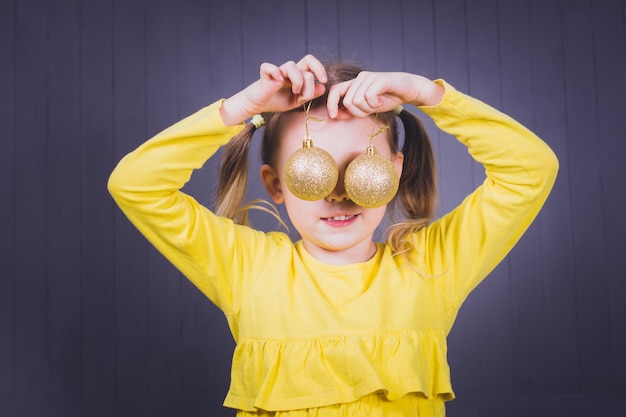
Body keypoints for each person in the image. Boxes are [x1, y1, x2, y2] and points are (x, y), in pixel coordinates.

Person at [108, 54, 558, 416]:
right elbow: (134, 184)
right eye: (312, 172)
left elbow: (532, 170)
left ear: (395, 173)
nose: (341, 194)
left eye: (363, 171)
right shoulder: (248, 268)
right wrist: (240, 109)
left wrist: (429, 95)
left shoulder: (431, 265)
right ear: (276, 184)